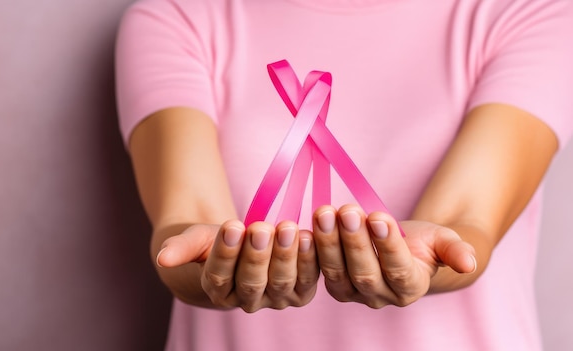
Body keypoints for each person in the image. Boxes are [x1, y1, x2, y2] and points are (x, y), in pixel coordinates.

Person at [115, 0, 573, 350]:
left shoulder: (527, 13)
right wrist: (207, 262)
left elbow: (467, 220)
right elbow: (185, 223)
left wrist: (424, 259)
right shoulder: (178, 15)